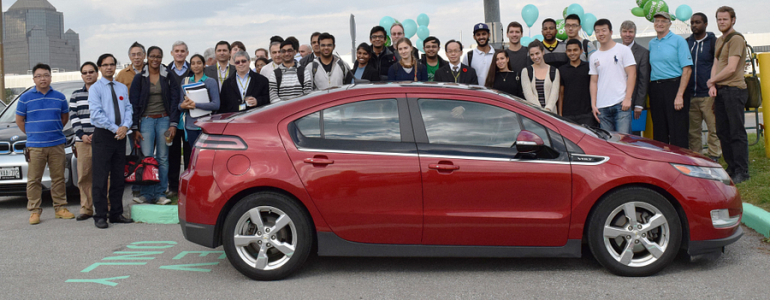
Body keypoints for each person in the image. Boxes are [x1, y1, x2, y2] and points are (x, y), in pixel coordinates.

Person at [15, 63, 74, 225]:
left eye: (46, 75)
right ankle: (34, 211)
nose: (43, 78)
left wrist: (53, 130)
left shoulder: (59, 97)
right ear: (34, 78)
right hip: (35, 146)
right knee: (34, 179)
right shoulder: (25, 98)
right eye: (39, 75)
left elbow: (64, 117)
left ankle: (60, 208)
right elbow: (19, 120)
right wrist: (32, 133)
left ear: (50, 77)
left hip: (56, 144)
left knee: (58, 178)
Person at [129, 46, 180, 206]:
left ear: (162, 58)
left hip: (164, 120)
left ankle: (160, 193)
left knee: (163, 158)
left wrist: (173, 124)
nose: (155, 59)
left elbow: (174, 100)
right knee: (147, 158)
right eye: (152, 56)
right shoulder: (140, 77)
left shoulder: (168, 75)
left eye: (158, 56)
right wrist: (135, 127)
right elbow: (134, 103)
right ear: (147, 57)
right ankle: (146, 194)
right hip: (146, 121)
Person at [88, 53, 135, 229]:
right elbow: (97, 114)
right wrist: (116, 128)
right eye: (105, 64)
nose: (109, 67)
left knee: (118, 177)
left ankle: (116, 213)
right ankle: (100, 215)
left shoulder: (122, 87)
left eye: (112, 64)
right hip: (104, 135)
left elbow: (128, 108)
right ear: (100, 67)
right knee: (100, 178)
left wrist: (125, 127)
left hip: (121, 136)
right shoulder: (95, 89)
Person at [708, 6, 749, 183]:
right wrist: (713, 84)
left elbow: (731, 68)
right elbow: (716, 64)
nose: (721, 22)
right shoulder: (719, 40)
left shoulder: (736, 39)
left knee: (736, 132)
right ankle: (731, 167)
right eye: (719, 19)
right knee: (722, 132)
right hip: (721, 90)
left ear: (733, 20)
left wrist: (712, 81)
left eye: (725, 19)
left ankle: (742, 171)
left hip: (734, 90)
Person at [649, 11, 693, 148]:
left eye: (663, 21)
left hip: (674, 86)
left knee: (677, 130)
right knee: (659, 129)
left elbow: (687, 69)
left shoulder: (678, 41)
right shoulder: (652, 43)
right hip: (656, 88)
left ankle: (681, 163)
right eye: (657, 21)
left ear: (670, 24)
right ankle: (663, 164)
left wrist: (679, 95)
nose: (659, 24)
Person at [589, 19, 637, 134]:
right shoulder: (594, 56)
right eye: (597, 31)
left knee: (624, 142)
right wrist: (593, 104)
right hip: (602, 107)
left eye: (604, 30)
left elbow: (632, 74)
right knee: (608, 145)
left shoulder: (623, 50)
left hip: (621, 105)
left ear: (611, 32)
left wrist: (627, 98)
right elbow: (593, 81)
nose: (601, 34)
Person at [686, 13, 720, 161]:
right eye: (692, 22)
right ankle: (697, 157)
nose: (694, 25)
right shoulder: (686, 43)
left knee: (714, 129)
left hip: (709, 95)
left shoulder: (714, 42)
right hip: (691, 94)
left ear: (705, 24)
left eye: (698, 22)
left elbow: (719, 65)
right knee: (693, 131)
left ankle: (714, 156)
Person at [69, 62, 99, 221]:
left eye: (91, 72)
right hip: (82, 142)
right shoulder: (75, 95)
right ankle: (86, 209)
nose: (88, 75)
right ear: (82, 75)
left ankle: (105, 206)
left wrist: (97, 133)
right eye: (85, 72)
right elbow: (73, 117)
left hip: (100, 139)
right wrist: (82, 134)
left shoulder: (103, 91)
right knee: (84, 175)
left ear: (97, 73)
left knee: (103, 175)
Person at [178, 54, 220, 156]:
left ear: (204, 65)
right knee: (193, 155)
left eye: (199, 63)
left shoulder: (210, 82)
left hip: (205, 125)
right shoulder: (186, 81)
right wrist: (183, 106)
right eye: (193, 63)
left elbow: (216, 105)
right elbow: (179, 105)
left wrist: (195, 105)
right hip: (190, 126)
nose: (196, 66)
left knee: (205, 156)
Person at [558, 40, 596, 126]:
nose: (572, 53)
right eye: (569, 50)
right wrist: (560, 113)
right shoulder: (562, 69)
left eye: (575, 50)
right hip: (568, 115)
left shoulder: (588, 67)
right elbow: (561, 93)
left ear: (581, 51)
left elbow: (594, 88)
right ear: (566, 52)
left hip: (586, 114)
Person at [619, 20, 650, 122]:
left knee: (633, 136)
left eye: (630, 32)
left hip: (633, 103)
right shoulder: (615, 50)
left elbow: (643, 80)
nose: (627, 35)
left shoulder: (643, 53)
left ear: (635, 33)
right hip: (615, 101)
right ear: (620, 33)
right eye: (625, 31)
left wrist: (639, 104)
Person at [521, 40, 560, 112]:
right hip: (535, 114)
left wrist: (547, 109)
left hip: (551, 114)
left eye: (537, 53)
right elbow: (528, 94)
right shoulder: (526, 71)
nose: (535, 57)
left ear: (543, 52)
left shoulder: (554, 71)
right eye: (532, 55)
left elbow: (554, 94)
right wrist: (540, 111)